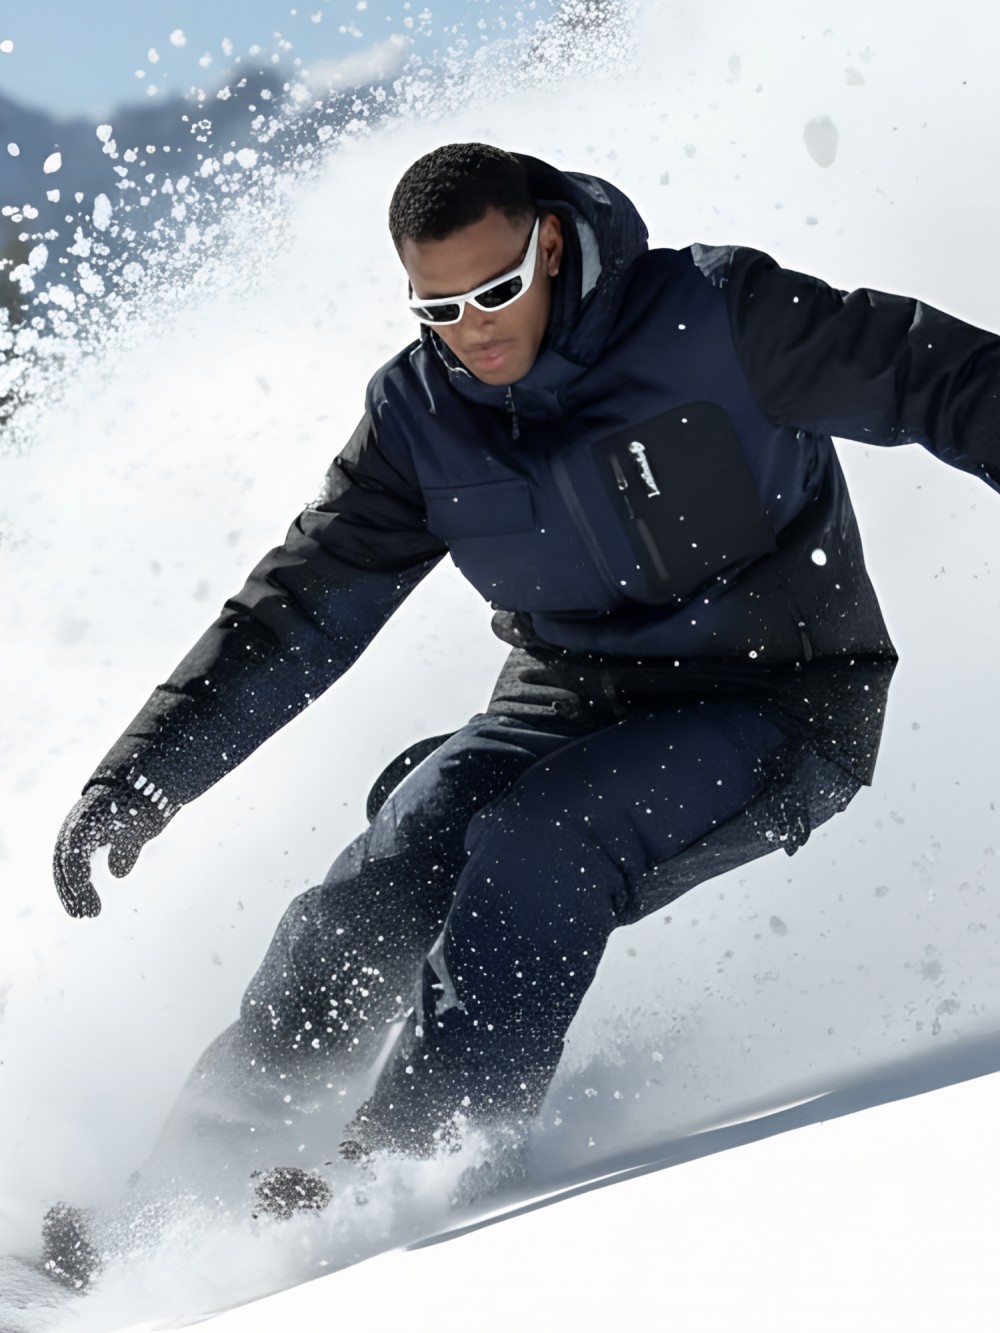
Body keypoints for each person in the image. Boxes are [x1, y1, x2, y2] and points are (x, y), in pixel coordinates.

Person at [51, 142, 1000, 1179]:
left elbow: (939, 377)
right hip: (562, 699)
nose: (474, 328)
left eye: (495, 291)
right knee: (376, 884)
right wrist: (147, 771)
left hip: (778, 697)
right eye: (438, 308)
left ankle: (405, 1172)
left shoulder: (714, 318)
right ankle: (186, 1187)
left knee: (539, 838)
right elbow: (302, 607)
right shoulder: (418, 418)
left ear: (548, 244)